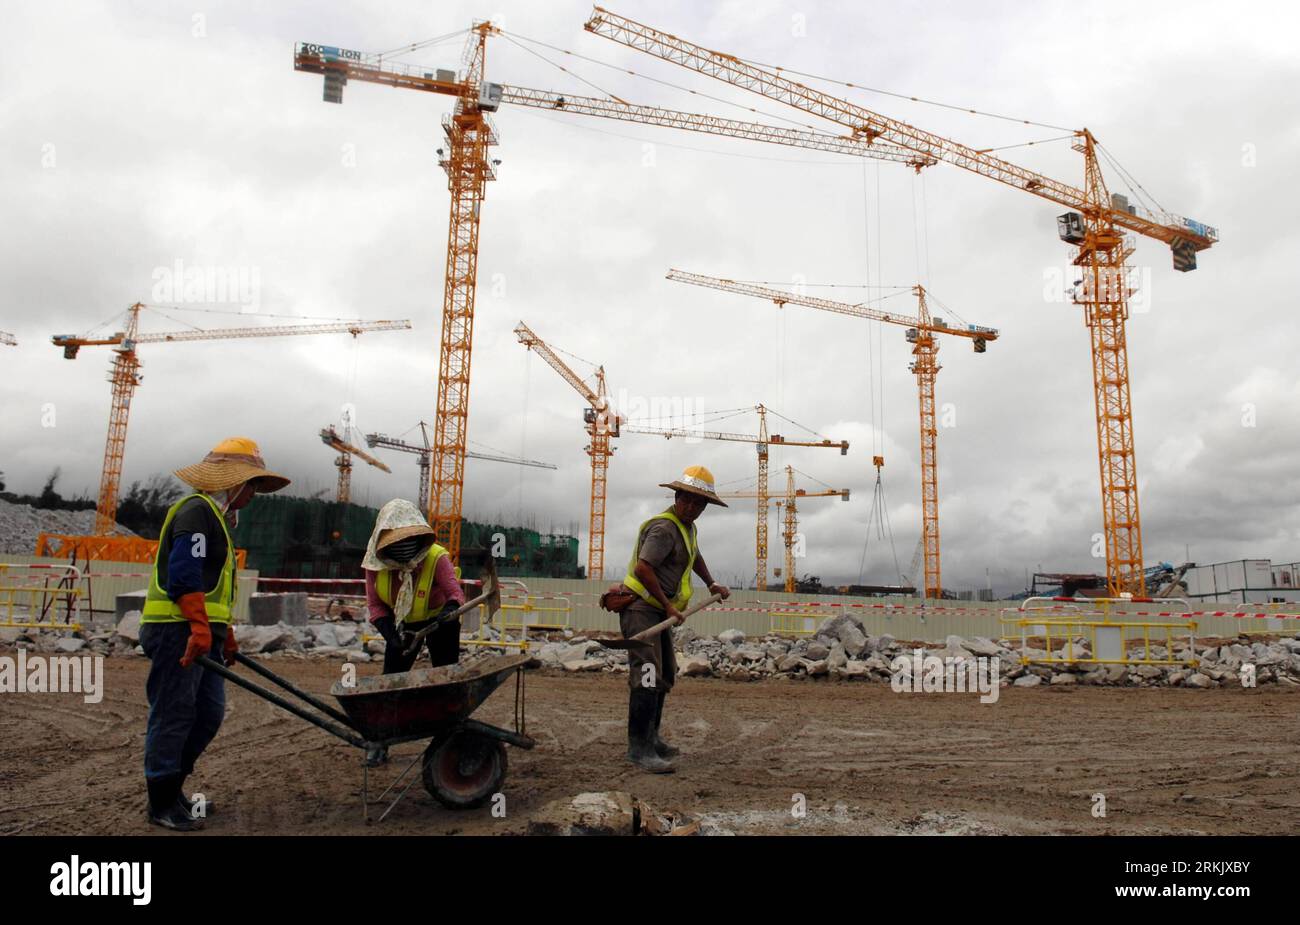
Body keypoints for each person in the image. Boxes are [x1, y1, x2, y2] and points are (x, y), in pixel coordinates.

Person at [140, 437, 289, 830]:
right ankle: (161, 801)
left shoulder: (217, 521)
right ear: (234, 482)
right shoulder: (197, 512)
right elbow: (185, 575)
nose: (255, 493)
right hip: (177, 630)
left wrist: (226, 633)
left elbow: (214, 589)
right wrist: (201, 628)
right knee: (174, 713)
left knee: (208, 713)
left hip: (202, 630)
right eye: (253, 484)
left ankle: (173, 788)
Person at [621, 465, 730, 773]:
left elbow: (693, 555)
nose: (693, 507)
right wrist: (668, 605)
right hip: (642, 609)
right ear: (677, 496)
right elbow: (644, 568)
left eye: (700, 504)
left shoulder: (687, 529)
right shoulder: (663, 529)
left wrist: (711, 583)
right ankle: (638, 748)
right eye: (688, 500)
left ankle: (651, 738)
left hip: (659, 610)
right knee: (646, 672)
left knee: (664, 672)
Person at [362, 499, 465, 765]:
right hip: (402, 624)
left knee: (445, 678)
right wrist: (389, 634)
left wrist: (448, 612)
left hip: (441, 620)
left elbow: (455, 594)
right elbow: (375, 605)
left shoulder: (436, 558)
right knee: (391, 681)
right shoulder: (375, 566)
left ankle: (448, 739)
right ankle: (381, 741)